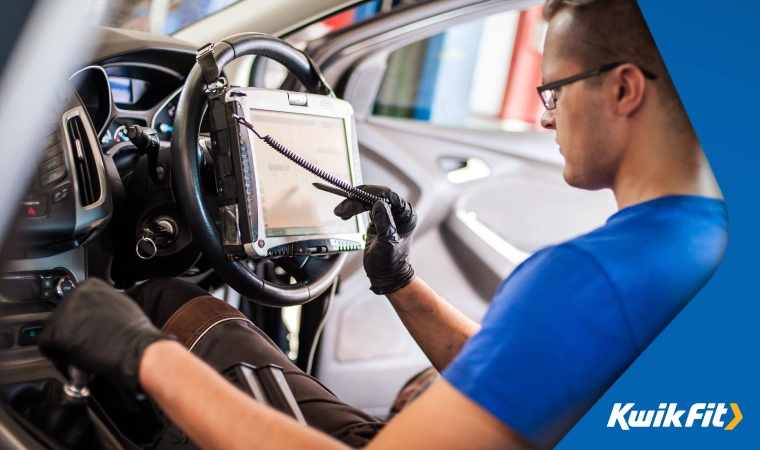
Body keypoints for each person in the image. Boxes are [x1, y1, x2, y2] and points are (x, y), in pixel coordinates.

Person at [38, 0, 728, 448]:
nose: (546, 116)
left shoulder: (593, 283)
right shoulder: (706, 249)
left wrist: (141, 355)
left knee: (164, 309)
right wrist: (398, 279)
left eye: (553, 90)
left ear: (623, 88)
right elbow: (518, 371)